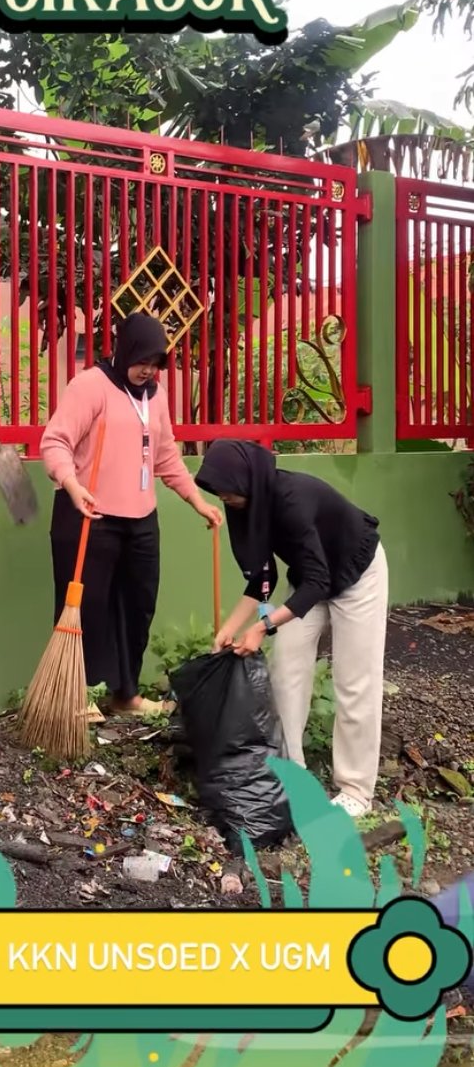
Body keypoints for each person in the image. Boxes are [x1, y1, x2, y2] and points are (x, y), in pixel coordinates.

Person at [40, 312, 223, 717]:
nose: (148, 370)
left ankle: (125, 696)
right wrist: (72, 485)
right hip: (89, 514)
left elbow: (166, 456)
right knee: (86, 610)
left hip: (140, 520)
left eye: (156, 363)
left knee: (137, 606)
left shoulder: (155, 396)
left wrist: (197, 501)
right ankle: (76, 699)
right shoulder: (91, 387)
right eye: (143, 360)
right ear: (125, 351)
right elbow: (54, 442)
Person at [194, 438, 388, 817]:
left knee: (354, 681)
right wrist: (232, 628)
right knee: (286, 671)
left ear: (247, 480)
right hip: (310, 580)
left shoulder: (291, 499)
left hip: (357, 574)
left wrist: (263, 627)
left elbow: (319, 581)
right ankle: (292, 773)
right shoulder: (246, 505)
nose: (223, 499)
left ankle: (355, 789)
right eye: (218, 493)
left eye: (228, 491)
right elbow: (263, 576)